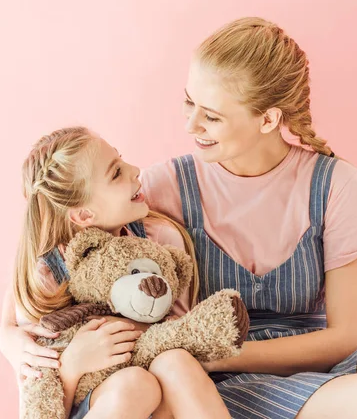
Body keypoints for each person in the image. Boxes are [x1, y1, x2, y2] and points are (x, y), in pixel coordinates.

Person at [139, 17, 357, 419]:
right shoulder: (165, 186)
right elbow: (61, 239)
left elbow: (347, 336)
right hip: (216, 390)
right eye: (190, 102)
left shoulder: (334, 183)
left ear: (269, 119)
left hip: (322, 366)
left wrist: (224, 355)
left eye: (212, 115)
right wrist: (10, 337)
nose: (191, 125)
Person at [0, 126, 230, 419]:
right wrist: (72, 365)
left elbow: (184, 333)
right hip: (92, 402)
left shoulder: (158, 239)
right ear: (84, 215)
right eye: (116, 173)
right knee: (134, 385)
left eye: (122, 161)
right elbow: (37, 401)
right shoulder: (46, 276)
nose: (135, 170)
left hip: (163, 395)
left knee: (176, 362)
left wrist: (132, 333)